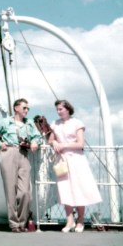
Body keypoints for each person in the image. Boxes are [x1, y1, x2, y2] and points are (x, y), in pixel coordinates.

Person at [0, 98, 43, 233]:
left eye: (28, 108)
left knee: (25, 193)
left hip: (23, 154)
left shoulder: (29, 124)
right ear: (16, 108)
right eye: (24, 108)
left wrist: (35, 142)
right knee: (10, 190)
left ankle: (22, 222)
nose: (27, 110)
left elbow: (37, 137)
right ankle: (14, 224)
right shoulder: (6, 122)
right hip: (9, 152)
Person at [48, 99, 102, 233]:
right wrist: (54, 143)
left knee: (79, 188)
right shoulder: (54, 123)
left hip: (77, 159)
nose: (58, 112)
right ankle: (69, 221)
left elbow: (80, 144)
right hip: (62, 160)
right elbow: (50, 139)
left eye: (61, 109)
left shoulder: (77, 123)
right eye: (57, 109)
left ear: (67, 109)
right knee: (65, 189)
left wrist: (63, 145)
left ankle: (80, 220)